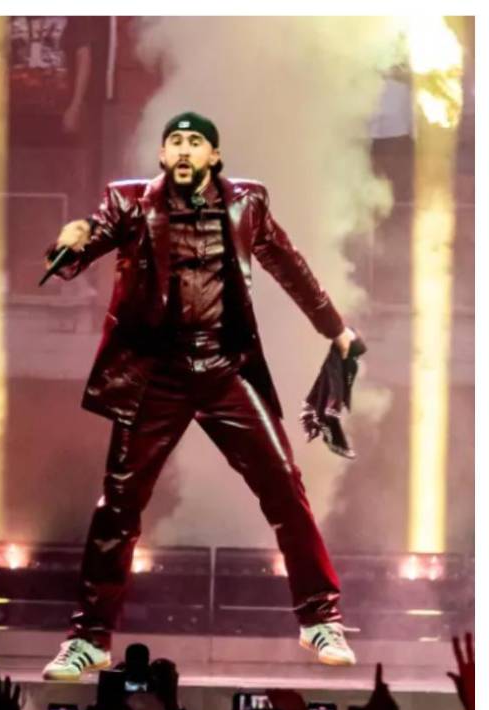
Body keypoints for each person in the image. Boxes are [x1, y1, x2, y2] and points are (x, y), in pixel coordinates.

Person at [41, 111, 358, 681]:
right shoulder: (129, 201)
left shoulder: (248, 203)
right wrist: (70, 244)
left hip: (224, 368)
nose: (183, 151)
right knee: (118, 505)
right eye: (174, 143)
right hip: (156, 376)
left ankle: (321, 620)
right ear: (162, 156)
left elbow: (290, 266)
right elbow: (86, 242)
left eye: (195, 143)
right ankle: (88, 639)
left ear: (214, 155)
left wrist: (335, 328)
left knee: (284, 486)